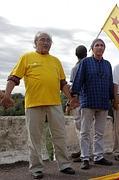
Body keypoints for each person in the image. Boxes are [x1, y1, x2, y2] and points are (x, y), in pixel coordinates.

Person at [0, 32, 76, 179]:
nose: (46, 42)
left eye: (49, 40)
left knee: (60, 135)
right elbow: (13, 78)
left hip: (54, 103)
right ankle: (36, 169)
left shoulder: (56, 61)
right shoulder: (26, 57)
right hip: (34, 104)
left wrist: (71, 98)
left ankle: (64, 165)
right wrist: (7, 95)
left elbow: (63, 84)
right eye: (42, 40)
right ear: (35, 42)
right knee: (35, 138)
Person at [71, 39, 114, 170]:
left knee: (99, 132)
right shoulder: (85, 62)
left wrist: (112, 98)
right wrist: (74, 97)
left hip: (103, 101)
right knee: (85, 132)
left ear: (104, 49)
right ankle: (85, 158)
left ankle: (98, 157)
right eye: (97, 45)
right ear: (92, 48)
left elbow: (110, 82)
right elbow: (78, 80)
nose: (99, 48)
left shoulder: (107, 64)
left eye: (102, 45)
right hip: (88, 101)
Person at [67, 45, 88, 162]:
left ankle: (85, 153)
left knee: (81, 129)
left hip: (79, 102)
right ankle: (84, 151)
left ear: (76, 54)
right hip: (89, 101)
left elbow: (74, 88)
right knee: (87, 128)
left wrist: (70, 102)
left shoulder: (76, 68)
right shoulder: (91, 64)